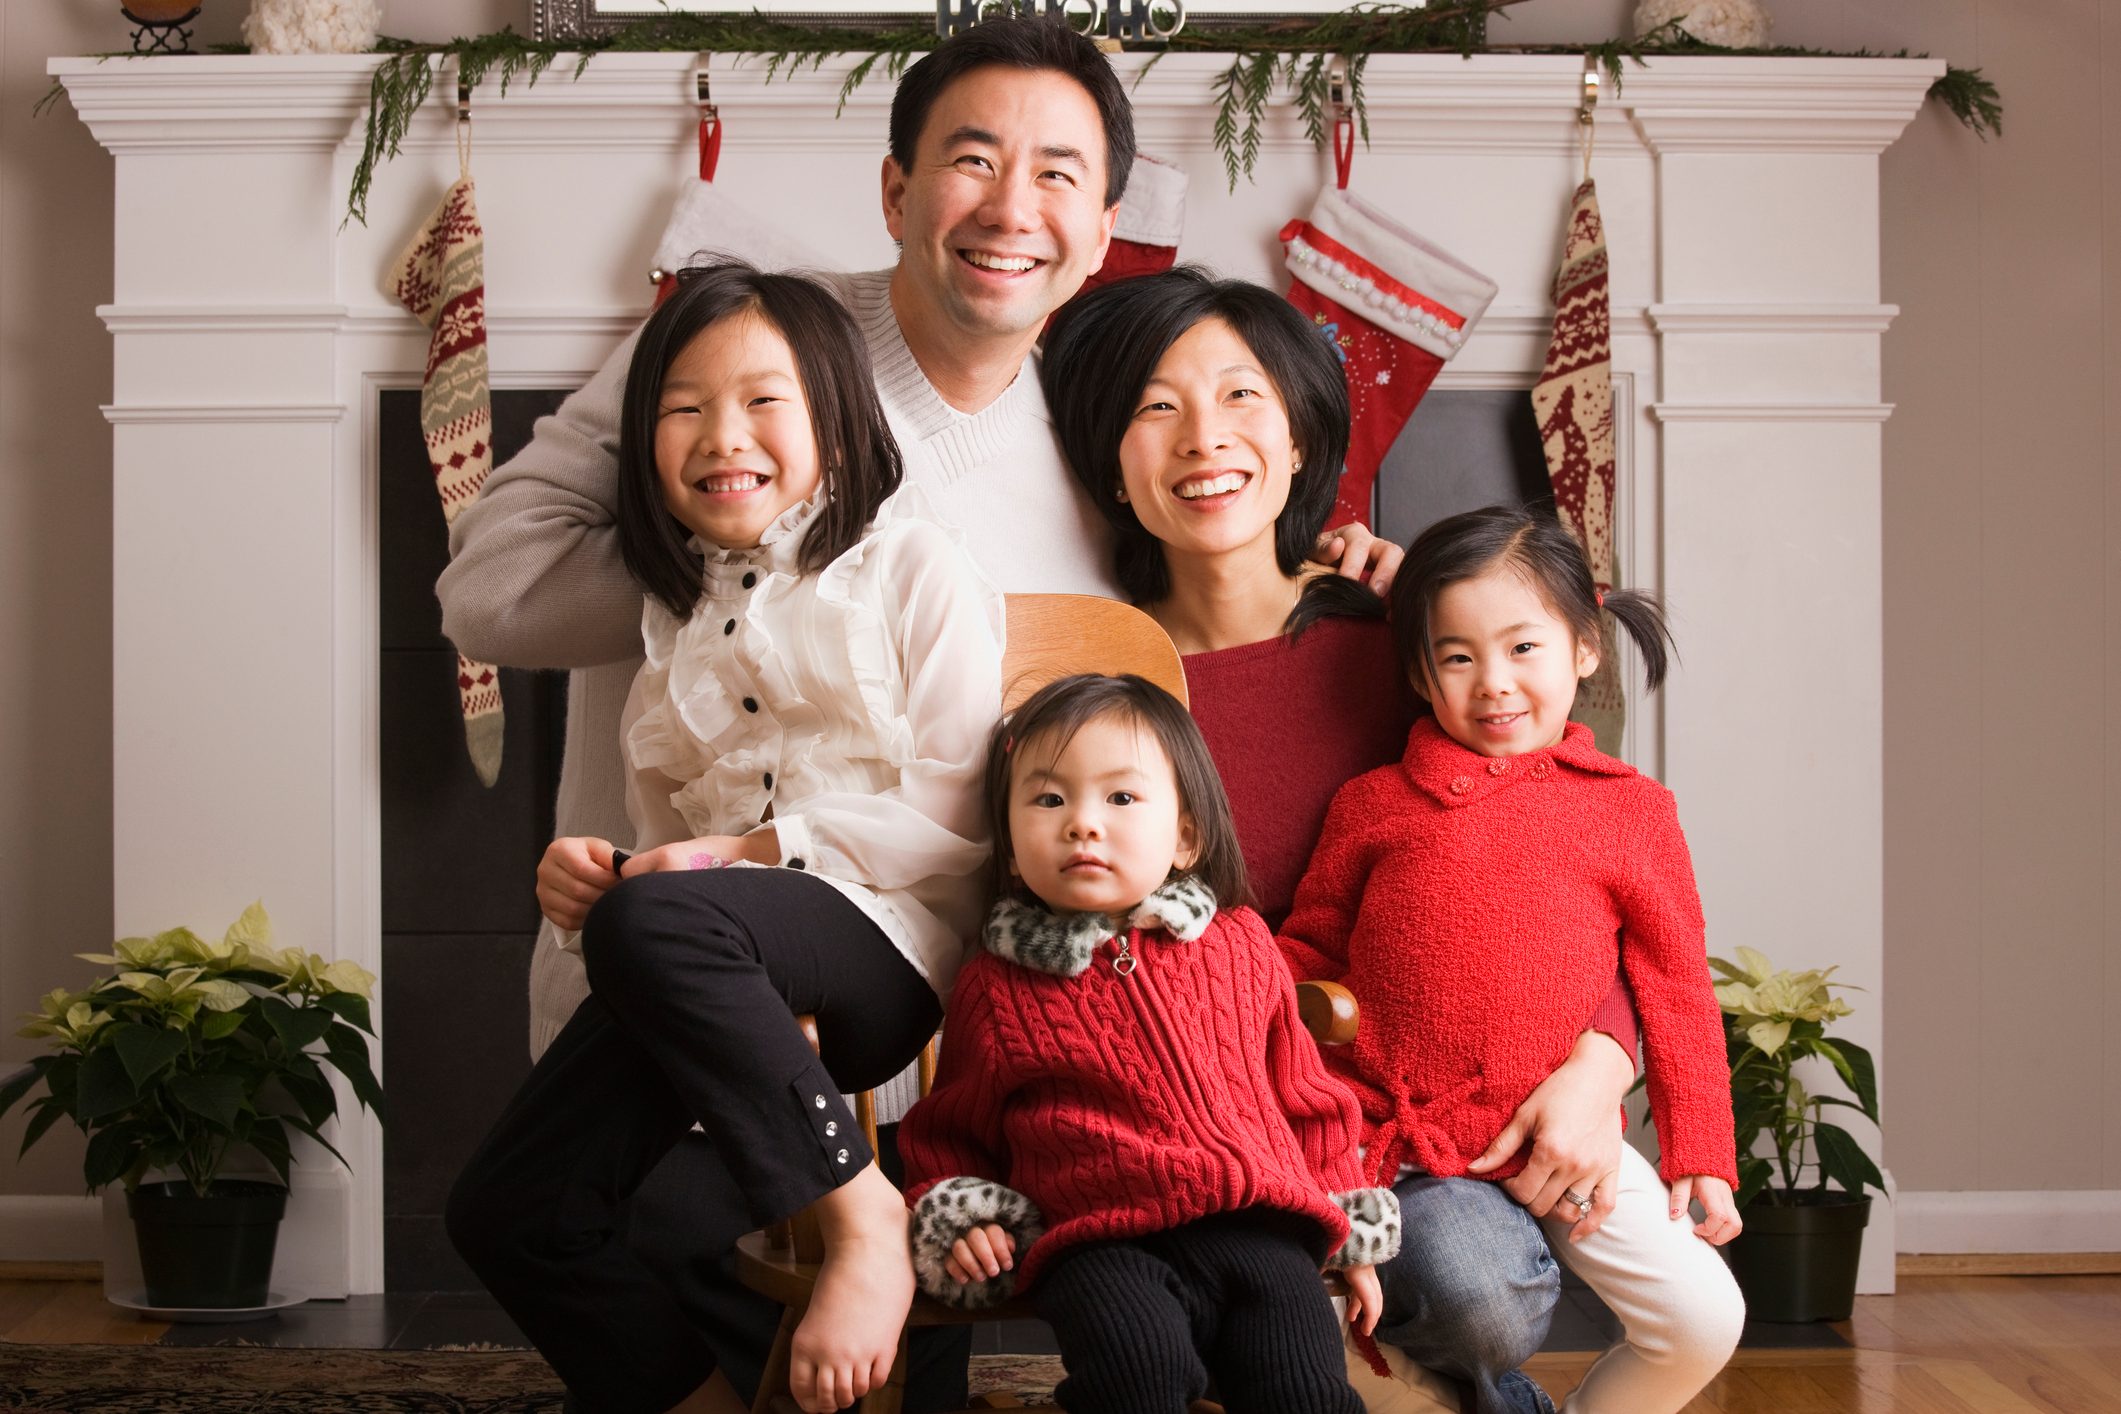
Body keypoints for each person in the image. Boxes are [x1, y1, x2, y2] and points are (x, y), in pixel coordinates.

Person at [433, 30, 1396, 1405]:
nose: (1012, 207)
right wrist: (745, 539)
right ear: (894, 191)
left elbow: (1162, 640)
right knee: (570, 1224)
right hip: (697, 969)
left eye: (1058, 173)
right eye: (971, 160)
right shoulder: (744, 351)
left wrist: (1362, 580)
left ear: (1104, 227)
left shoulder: (1089, 425)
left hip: (957, 1008)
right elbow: (492, 595)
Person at [1042, 268, 1645, 1413]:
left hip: (1396, 1110)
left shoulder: (1410, 650)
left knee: (1477, 1296)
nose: (1203, 437)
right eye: (1156, 406)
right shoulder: (1089, 683)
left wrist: (1599, 1064)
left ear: (1302, 434)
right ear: (1111, 463)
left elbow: (1581, 860)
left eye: (1242, 395)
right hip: (1190, 1107)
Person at [446, 263, 1005, 1414]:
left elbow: (957, 822)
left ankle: (863, 1218)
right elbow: (667, 853)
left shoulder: (912, 566)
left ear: (835, 421)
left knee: (665, 916)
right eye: (683, 408)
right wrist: (600, 883)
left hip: (887, 944)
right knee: (509, 1209)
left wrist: (728, 864)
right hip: (723, 961)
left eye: (762, 401)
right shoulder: (674, 623)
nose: (721, 436)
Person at [1278, 505, 1749, 1414]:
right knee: (1384, 1315)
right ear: (1418, 672)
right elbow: (1309, 945)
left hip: (1566, 1140)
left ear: (1584, 647)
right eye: (1456, 657)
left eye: (1523, 648)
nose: (1493, 683)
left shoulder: (1633, 810)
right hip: (1400, 1142)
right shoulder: (1372, 804)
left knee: (1702, 1317)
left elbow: (1674, 980)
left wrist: (1702, 1151)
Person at [897, 673, 1400, 1414]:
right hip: (1100, 1243)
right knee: (1136, 1378)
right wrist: (966, 1219)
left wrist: (1348, 1230)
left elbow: (1307, 1099)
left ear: (1186, 837)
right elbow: (951, 1131)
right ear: (1010, 849)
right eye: (1049, 799)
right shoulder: (997, 987)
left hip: (1259, 1224)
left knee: (1305, 1391)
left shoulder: (1241, 945)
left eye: (1121, 797)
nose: (1082, 823)